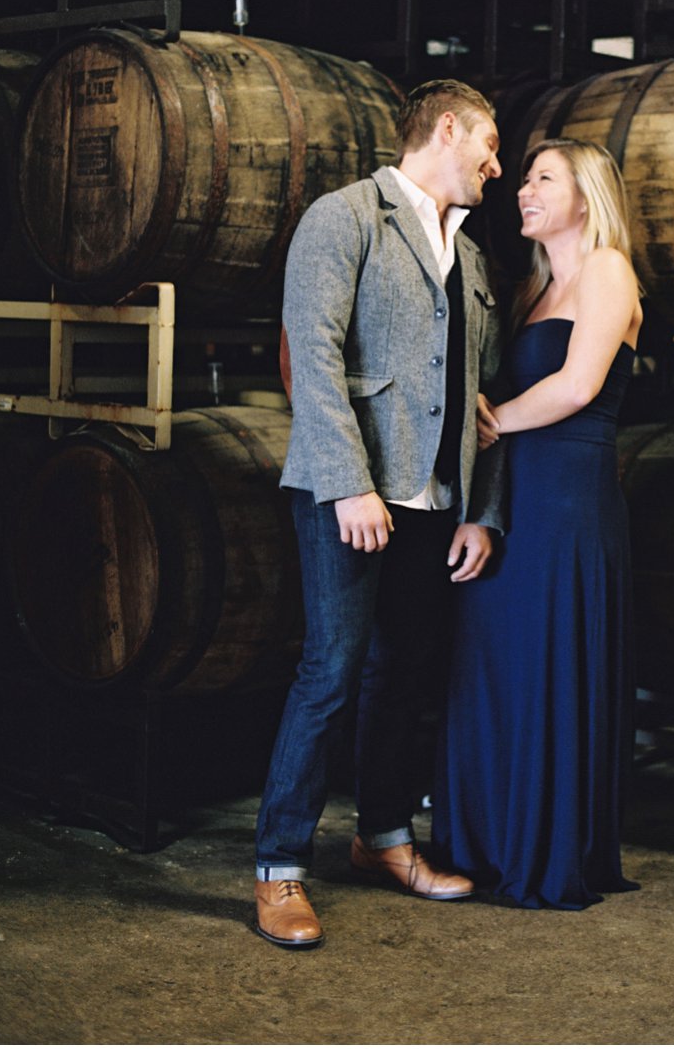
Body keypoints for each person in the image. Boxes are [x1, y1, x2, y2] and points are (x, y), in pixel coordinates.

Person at [257, 79, 506, 948]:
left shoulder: (470, 257)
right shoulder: (346, 216)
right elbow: (311, 350)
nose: (496, 165)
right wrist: (349, 482)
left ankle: (384, 839)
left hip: (436, 502)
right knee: (331, 670)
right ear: (448, 128)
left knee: (404, 671)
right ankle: (280, 868)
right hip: (352, 491)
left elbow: (481, 402)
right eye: (490, 145)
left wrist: (482, 511)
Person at [436, 138, 644, 909]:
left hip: (569, 506)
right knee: (494, 667)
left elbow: (579, 384)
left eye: (543, 178)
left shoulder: (609, 270)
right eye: (523, 177)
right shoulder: (527, 288)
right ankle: (485, 845)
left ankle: (545, 850)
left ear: (585, 196)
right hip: (512, 502)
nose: (523, 188)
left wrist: (485, 421)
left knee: (551, 666)